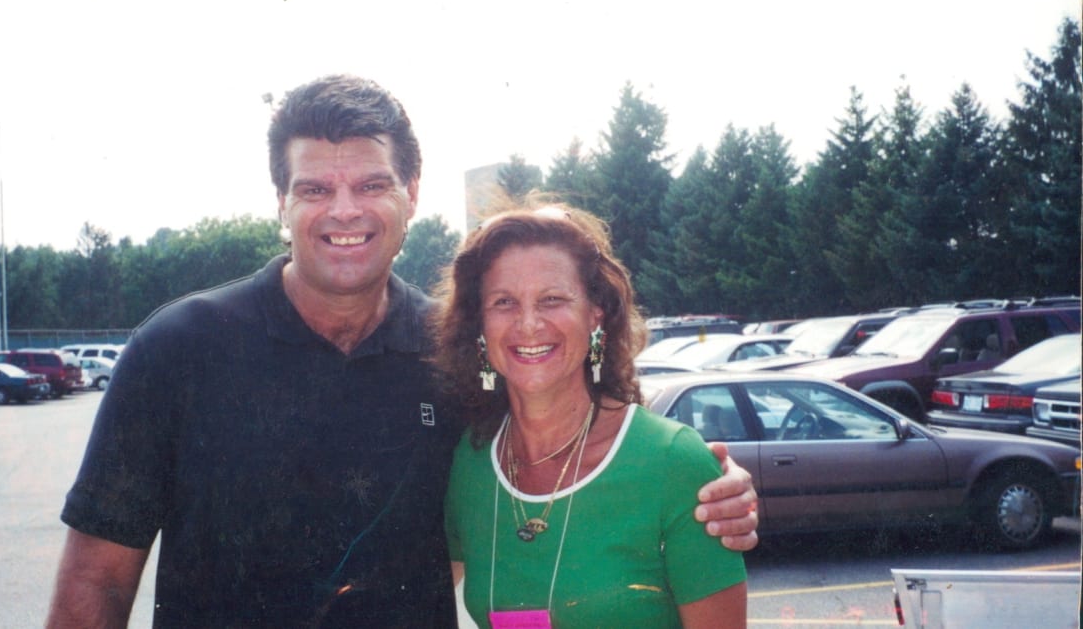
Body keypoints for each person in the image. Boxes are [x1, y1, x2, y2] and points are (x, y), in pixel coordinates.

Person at [46, 74, 758, 628]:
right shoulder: (178, 349)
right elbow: (96, 582)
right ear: (282, 203)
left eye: (372, 184)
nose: (345, 210)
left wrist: (713, 486)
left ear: (412, 192)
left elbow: (569, 439)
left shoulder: (452, 354)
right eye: (316, 188)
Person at [436, 203, 747, 627]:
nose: (528, 324)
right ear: (479, 324)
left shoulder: (673, 461)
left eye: (552, 299)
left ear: (595, 314)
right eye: (504, 302)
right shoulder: (470, 465)